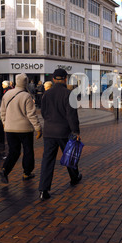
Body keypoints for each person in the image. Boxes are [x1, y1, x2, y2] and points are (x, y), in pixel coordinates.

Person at [38, 68, 81, 201]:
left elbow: (43, 113)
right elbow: (71, 115)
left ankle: (43, 190)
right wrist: (76, 131)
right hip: (64, 131)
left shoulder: (47, 94)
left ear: (53, 79)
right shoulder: (69, 94)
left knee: (47, 160)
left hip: (49, 131)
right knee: (69, 155)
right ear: (65, 79)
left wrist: (50, 121)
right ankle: (74, 178)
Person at [0, 73, 42, 183]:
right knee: (28, 151)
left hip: (9, 129)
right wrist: (38, 128)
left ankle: (5, 170)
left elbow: (2, 111)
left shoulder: (7, 94)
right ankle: (27, 173)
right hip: (24, 129)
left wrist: (4, 122)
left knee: (13, 151)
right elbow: (31, 114)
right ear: (26, 82)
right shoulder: (26, 96)